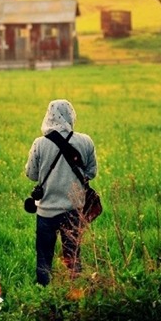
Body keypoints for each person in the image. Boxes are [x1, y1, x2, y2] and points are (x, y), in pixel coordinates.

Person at [25, 99, 97, 286]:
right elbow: (91, 173)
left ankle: (43, 294)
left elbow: (31, 175)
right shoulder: (85, 141)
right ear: (71, 115)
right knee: (73, 257)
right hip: (74, 210)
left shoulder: (39, 144)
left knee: (44, 259)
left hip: (46, 212)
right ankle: (75, 293)